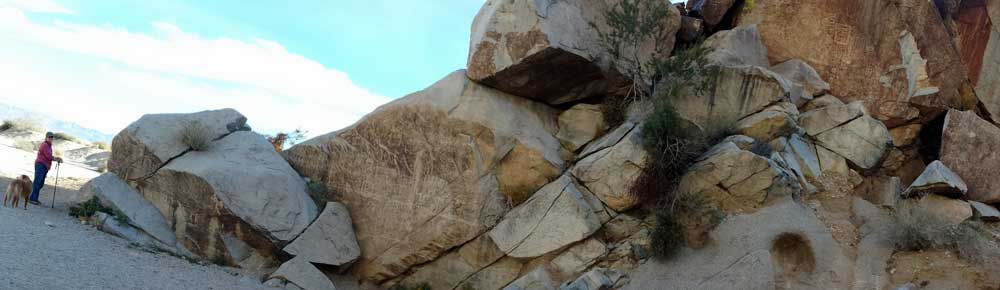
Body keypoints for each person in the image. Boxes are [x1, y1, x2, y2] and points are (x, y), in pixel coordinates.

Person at [28, 132, 63, 205]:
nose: (51, 138)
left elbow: (49, 156)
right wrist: (57, 159)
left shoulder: (49, 146)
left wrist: (56, 158)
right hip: (40, 165)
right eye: (49, 137)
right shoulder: (45, 145)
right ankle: (32, 199)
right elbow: (48, 156)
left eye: (52, 137)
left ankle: (33, 197)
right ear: (46, 137)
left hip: (44, 166)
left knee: (40, 183)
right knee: (38, 182)